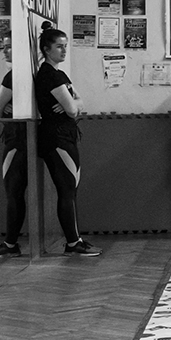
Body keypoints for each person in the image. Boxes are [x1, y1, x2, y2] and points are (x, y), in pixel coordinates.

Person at [35, 27, 100, 256]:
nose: (64, 51)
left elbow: (80, 102)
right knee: (67, 189)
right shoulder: (48, 75)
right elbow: (73, 110)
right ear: (46, 49)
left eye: (65, 46)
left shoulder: (60, 74)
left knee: (71, 188)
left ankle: (75, 239)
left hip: (66, 136)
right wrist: (71, 104)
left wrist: (71, 103)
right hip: (56, 137)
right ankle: (73, 242)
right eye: (59, 47)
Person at [0, 37, 29, 258]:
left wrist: (6, 109)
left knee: (13, 193)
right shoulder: (37, 72)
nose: (4, 51)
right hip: (35, 138)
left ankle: (11, 244)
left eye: (9, 46)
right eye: (3, 46)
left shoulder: (14, 75)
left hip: (17, 139)